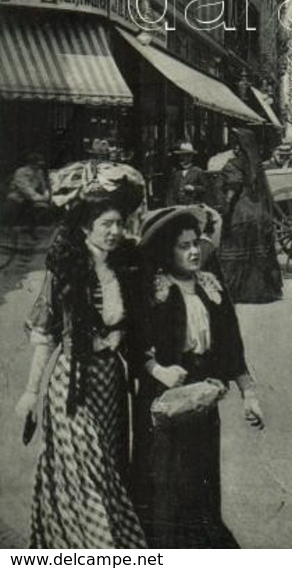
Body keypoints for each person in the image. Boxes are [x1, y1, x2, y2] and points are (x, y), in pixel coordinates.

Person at [15, 170, 146, 548]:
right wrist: (29, 393)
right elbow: (45, 335)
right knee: (84, 472)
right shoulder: (66, 268)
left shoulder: (125, 266)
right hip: (72, 385)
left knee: (109, 468)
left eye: (120, 223)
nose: (115, 231)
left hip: (112, 385)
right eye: (106, 224)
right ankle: (89, 546)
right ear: (87, 227)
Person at [133, 206, 264, 548]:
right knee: (167, 485)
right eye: (182, 245)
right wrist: (157, 370)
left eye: (195, 243)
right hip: (163, 404)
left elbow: (232, 347)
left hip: (204, 403)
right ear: (166, 250)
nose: (193, 251)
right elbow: (133, 343)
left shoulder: (210, 287)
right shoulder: (155, 291)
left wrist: (250, 394)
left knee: (202, 482)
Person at [215, 129, 283, 305]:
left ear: (238, 146)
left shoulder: (233, 164)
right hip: (259, 213)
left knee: (235, 253)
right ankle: (262, 292)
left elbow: (232, 189)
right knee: (257, 254)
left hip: (241, 214)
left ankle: (236, 292)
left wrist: (225, 210)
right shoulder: (256, 165)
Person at [3, 153, 51, 234]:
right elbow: (24, 188)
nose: (39, 167)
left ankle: (31, 230)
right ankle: (8, 230)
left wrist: (46, 193)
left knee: (40, 209)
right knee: (11, 213)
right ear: (31, 164)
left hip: (31, 199)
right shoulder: (21, 172)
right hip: (17, 197)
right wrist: (39, 197)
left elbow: (43, 186)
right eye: (37, 164)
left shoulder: (39, 172)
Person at [167, 142, 209, 206]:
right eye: (180, 155)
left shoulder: (198, 171)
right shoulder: (176, 173)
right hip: (178, 208)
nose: (181, 158)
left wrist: (194, 188)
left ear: (190, 157)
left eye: (184, 156)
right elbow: (170, 192)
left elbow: (206, 189)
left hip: (194, 206)